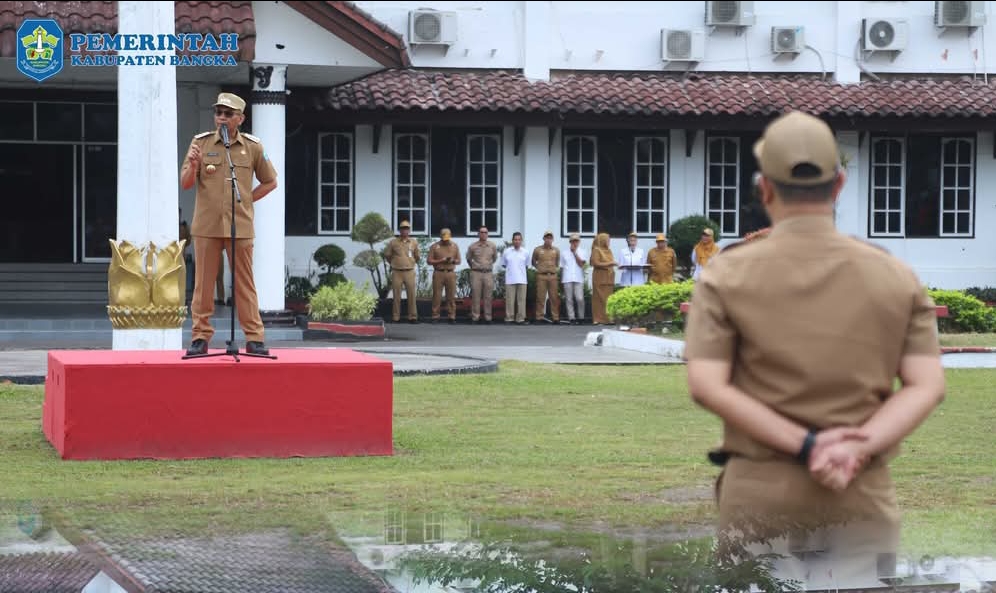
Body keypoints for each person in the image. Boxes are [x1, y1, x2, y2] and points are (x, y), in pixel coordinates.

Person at [684, 111, 945, 590]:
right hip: (859, 489)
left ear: (765, 188)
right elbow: (926, 384)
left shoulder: (727, 274)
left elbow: (707, 384)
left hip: (762, 491)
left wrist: (808, 446)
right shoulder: (894, 275)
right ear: (839, 184)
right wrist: (857, 445)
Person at [181, 92, 277, 356]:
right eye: (218, 113)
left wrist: (247, 200)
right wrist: (192, 166)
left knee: (245, 284)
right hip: (207, 227)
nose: (221, 118)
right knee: (203, 284)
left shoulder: (253, 146)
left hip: (240, 226)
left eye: (228, 114)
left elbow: (270, 181)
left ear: (240, 118)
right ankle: (200, 337)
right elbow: (186, 183)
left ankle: (254, 338)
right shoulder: (200, 143)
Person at [385, 220, 420, 323]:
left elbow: (417, 256)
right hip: (397, 271)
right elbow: (387, 255)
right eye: (403, 228)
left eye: (407, 228)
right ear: (400, 230)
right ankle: (396, 317)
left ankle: (412, 317)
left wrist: (412, 262)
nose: (405, 230)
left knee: (411, 294)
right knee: (396, 295)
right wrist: (394, 263)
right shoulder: (393, 242)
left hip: (409, 271)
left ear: (409, 230)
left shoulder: (413, 242)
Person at [427, 228, 460, 324]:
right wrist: (441, 260)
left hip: (450, 273)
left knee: (451, 296)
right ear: (440, 237)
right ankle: (435, 316)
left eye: (447, 238)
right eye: (444, 238)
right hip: (438, 272)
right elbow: (429, 261)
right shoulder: (434, 246)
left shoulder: (455, 246)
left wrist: (452, 260)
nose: (446, 240)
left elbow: (459, 261)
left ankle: (452, 316)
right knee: (437, 296)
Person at [465, 226, 498, 324]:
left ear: (488, 234)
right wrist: (474, 267)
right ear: (478, 234)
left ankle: (488, 317)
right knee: (476, 296)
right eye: (482, 232)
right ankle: (475, 317)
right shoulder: (473, 246)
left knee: (488, 296)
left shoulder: (492, 246)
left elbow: (494, 258)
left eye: (486, 232)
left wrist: (487, 265)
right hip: (476, 273)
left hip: (488, 273)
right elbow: (468, 259)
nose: (484, 234)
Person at [531, 231, 563, 324]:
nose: (548, 239)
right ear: (544, 238)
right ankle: (539, 317)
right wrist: (539, 268)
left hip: (553, 276)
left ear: (552, 239)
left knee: (554, 298)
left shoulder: (556, 250)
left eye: (550, 238)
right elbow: (533, 261)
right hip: (541, 276)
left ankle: (555, 317)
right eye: (546, 237)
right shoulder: (537, 250)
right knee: (540, 297)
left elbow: (557, 263)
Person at [500, 232, 529, 324]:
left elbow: (526, 265)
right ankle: (509, 318)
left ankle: (520, 318)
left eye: (519, 239)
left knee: (521, 300)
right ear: (512, 241)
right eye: (515, 239)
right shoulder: (507, 251)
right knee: (510, 300)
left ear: (521, 241)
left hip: (522, 279)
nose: (517, 241)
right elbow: (504, 264)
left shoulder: (526, 252)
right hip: (510, 279)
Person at [589, 233, 617, 325]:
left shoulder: (609, 251)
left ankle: (608, 319)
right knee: (599, 299)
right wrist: (610, 264)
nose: (609, 242)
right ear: (602, 240)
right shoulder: (596, 250)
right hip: (599, 278)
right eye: (607, 240)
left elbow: (611, 263)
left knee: (608, 299)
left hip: (608, 278)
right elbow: (595, 263)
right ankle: (598, 319)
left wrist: (612, 265)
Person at [560, 232, 587, 324]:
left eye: (576, 241)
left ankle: (581, 317)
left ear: (579, 242)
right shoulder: (564, 253)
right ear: (570, 242)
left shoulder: (583, 251)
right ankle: (571, 318)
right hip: (567, 278)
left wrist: (575, 253)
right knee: (569, 299)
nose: (574, 243)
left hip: (578, 278)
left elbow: (581, 264)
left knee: (580, 298)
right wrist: (561, 280)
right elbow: (562, 267)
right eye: (573, 241)